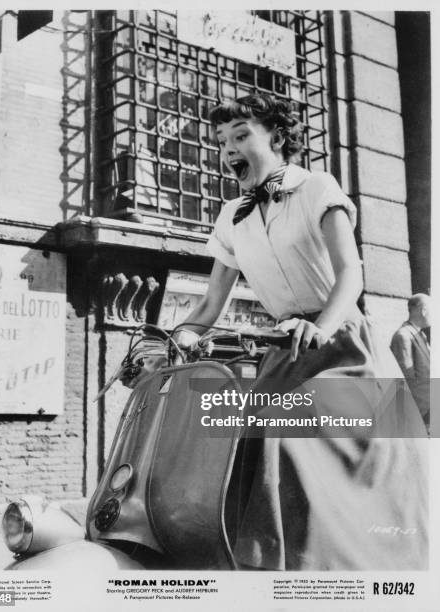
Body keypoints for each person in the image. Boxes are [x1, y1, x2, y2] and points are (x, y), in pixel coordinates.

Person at [174, 93, 427, 570]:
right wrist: (174, 338)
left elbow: (350, 273)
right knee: (233, 435)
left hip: (342, 344)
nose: (229, 149)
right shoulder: (231, 216)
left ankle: (321, 565)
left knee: (286, 434)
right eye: (222, 141)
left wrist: (320, 326)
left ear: (278, 136)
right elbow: (210, 303)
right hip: (283, 350)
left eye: (242, 135)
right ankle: (257, 565)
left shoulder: (317, 188)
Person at [390, 294, 430, 426]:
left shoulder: (421, 335)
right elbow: (406, 381)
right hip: (421, 412)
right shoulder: (403, 336)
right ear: (424, 311)